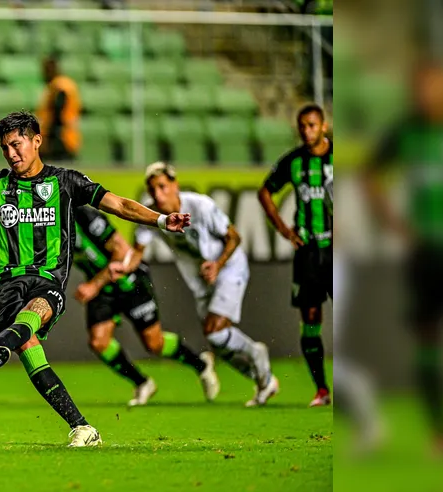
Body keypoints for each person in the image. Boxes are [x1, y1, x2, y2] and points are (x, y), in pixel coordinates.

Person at [0, 111, 190, 447]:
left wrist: (160, 221)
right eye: (5, 148)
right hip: (3, 283)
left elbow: (118, 205)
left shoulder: (66, 182)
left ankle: (2, 348)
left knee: (40, 306)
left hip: (46, 281)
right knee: (30, 346)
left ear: (36, 140)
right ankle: (80, 425)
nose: (11, 154)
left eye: (16, 144)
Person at [127, 162, 279, 407]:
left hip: (228, 268)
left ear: (175, 185)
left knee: (215, 331)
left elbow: (234, 237)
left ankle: (256, 353)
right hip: (200, 280)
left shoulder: (201, 205)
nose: (158, 194)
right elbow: (136, 252)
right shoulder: (153, 216)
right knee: (219, 344)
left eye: (163, 187)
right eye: (153, 189)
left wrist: (218, 264)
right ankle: (264, 379)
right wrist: (120, 268)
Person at [364, 60, 443, 456]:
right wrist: (398, 224)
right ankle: (440, 434)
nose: (427, 94)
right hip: (426, 255)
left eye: (434, 86)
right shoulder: (406, 131)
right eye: (421, 88)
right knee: (427, 336)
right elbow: (371, 175)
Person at [71, 205, 220, 406]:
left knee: (154, 344)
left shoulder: (83, 215)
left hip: (128, 279)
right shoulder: (48, 225)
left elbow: (122, 251)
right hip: (102, 287)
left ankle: (202, 365)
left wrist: (94, 285)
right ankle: (142, 383)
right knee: (99, 342)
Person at [257, 103, 333, 408]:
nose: (306, 131)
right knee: (310, 317)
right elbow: (264, 192)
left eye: (312, 125)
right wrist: (285, 231)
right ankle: (322, 390)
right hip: (308, 251)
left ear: (324, 126)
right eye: (302, 126)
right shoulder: (294, 161)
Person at [37, 56, 81, 163]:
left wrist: (47, 137)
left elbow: (56, 114)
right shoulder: (67, 84)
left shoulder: (58, 87)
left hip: (60, 138)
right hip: (69, 135)